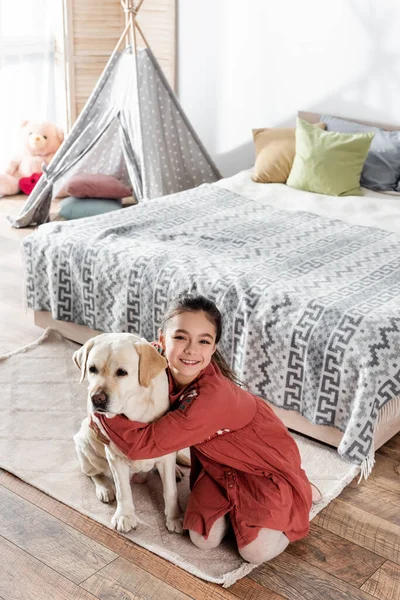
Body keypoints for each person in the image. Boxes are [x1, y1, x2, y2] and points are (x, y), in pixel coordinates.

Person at [97, 294, 317, 564]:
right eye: (180, 337)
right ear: (162, 340)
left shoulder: (210, 398)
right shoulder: (151, 359)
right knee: (202, 539)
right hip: (216, 463)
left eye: (204, 341)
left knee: (254, 553)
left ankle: (300, 489)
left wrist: (100, 414)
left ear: (213, 348)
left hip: (262, 463)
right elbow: (122, 361)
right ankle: (239, 510)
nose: (191, 349)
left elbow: (143, 445)